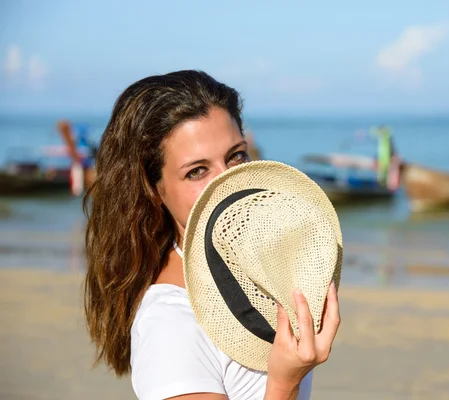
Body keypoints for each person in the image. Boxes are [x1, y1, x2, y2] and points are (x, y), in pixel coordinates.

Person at [83, 70, 341, 400]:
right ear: (153, 190)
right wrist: (284, 384)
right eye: (197, 171)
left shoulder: (256, 272)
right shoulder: (171, 323)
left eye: (236, 156)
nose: (228, 183)